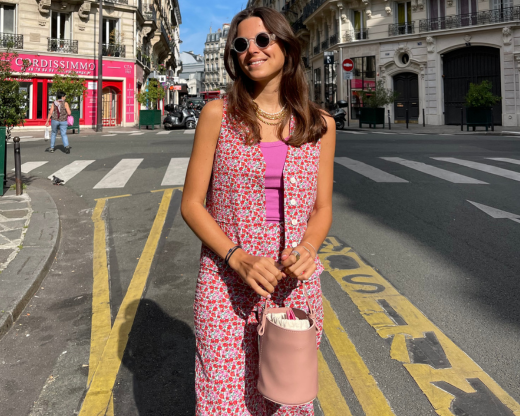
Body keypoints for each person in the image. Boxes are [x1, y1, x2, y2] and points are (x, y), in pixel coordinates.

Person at [181, 6, 335, 416]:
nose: (252, 50)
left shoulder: (319, 124)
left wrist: (308, 248)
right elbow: (191, 204)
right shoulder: (217, 116)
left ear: (286, 46)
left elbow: (322, 208)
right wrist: (237, 258)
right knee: (223, 400)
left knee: (287, 400)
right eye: (241, 44)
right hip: (226, 282)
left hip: (291, 284)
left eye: (263, 39)